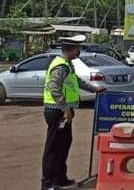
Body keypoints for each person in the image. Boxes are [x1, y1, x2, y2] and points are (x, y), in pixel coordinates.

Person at [42, 35, 104, 190]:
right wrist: (65, 108)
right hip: (57, 112)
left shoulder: (67, 64)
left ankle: (61, 179)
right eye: (78, 48)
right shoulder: (61, 66)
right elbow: (54, 88)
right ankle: (48, 184)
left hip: (63, 112)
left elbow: (76, 81)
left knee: (64, 145)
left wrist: (95, 89)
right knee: (54, 148)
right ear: (72, 49)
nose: (79, 51)